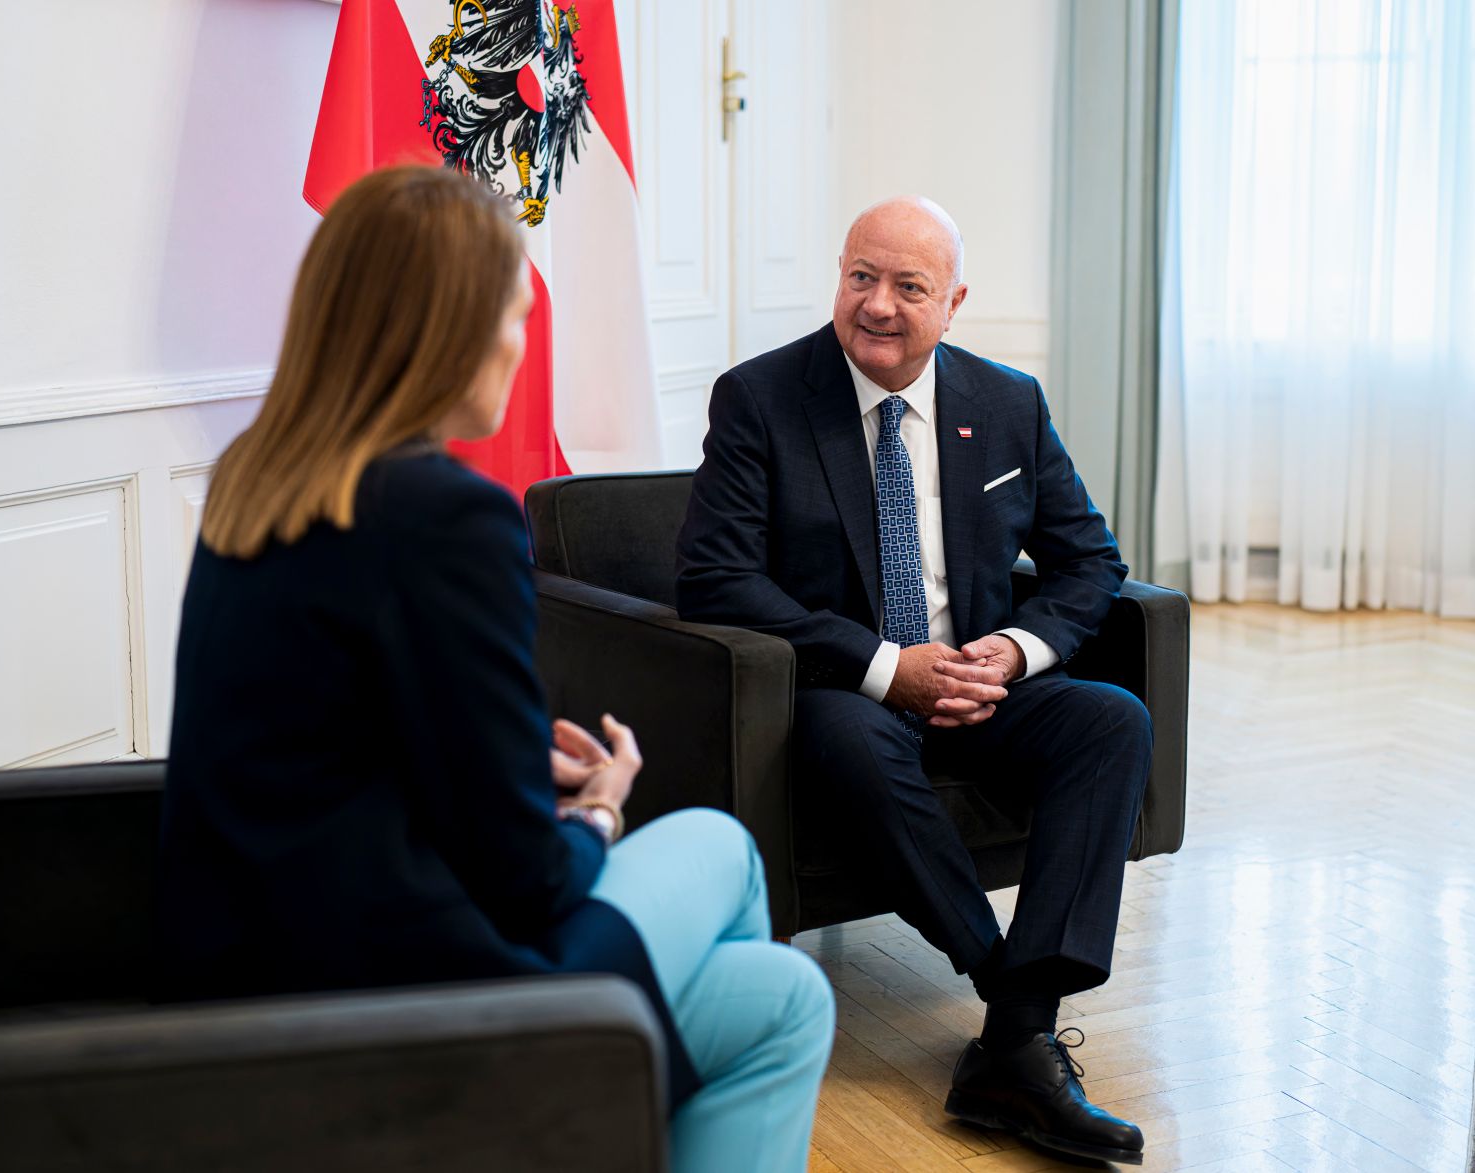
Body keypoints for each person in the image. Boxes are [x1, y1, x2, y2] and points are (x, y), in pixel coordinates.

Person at [156, 164, 833, 1173]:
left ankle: (605, 1099)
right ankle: (583, 1102)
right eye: (516, 317)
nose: (524, 348)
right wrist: (598, 812)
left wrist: (516, 763)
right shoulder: (444, 517)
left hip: (261, 964)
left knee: (783, 992)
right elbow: (524, 884)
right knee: (734, 871)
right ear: (450, 331)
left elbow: (339, 735)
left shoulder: (255, 481)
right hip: (414, 992)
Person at [675, 196, 1151, 1166]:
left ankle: (1014, 1038)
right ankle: (1009, 1005)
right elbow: (713, 575)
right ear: (838, 276)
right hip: (839, 689)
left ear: (953, 302)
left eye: (908, 286)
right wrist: (888, 668)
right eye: (861, 277)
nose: (878, 305)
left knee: (1111, 723)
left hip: (978, 681)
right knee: (846, 739)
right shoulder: (761, 397)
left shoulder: (1005, 402)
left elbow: (1088, 562)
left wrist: (1014, 651)